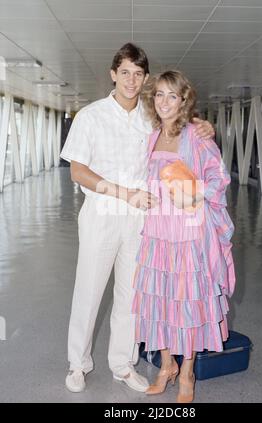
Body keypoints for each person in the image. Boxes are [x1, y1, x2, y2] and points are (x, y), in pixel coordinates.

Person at [60, 43, 215, 394]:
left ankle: (122, 364)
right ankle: (77, 364)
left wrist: (203, 125)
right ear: (113, 74)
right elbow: (78, 172)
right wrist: (122, 193)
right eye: (125, 72)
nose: (132, 80)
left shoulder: (149, 116)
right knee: (90, 291)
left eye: (139, 74)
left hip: (142, 219)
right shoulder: (91, 115)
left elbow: (178, 123)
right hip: (102, 213)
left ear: (145, 78)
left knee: (133, 296)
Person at [132, 70, 236, 402]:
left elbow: (220, 177)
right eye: (159, 94)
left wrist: (195, 192)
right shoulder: (151, 136)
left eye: (172, 96)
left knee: (187, 300)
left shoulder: (197, 135)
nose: (164, 101)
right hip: (158, 232)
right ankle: (166, 366)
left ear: (183, 100)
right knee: (159, 299)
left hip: (190, 233)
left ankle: (188, 371)